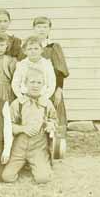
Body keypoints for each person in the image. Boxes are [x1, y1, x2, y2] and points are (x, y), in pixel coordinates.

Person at [2, 68, 57, 184]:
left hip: (38, 147)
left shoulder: (47, 103)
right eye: (32, 82)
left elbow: (54, 119)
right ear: (25, 84)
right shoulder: (18, 103)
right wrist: (23, 129)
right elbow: (8, 125)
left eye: (39, 83)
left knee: (43, 178)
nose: (35, 86)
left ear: (43, 85)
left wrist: (50, 125)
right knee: (7, 177)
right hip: (19, 147)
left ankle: (37, 163)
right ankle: (23, 163)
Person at [34, 16, 70, 156]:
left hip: (52, 88)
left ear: (49, 29)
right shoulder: (30, 46)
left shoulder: (54, 47)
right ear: (34, 28)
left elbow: (60, 70)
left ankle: (55, 150)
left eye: (45, 27)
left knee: (54, 117)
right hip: (35, 88)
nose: (41, 29)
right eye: (38, 26)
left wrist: (59, 90)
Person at [12, 36, 56, 102]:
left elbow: (52, 84)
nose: (33, 51)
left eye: (36, 48)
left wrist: (44, 98)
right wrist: (20, 97)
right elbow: (15, 83)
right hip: (25, 98)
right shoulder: (21, 64)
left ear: (41, 50)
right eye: (29, 49)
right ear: (24, 51)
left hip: (42, 98)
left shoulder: (47, 64)